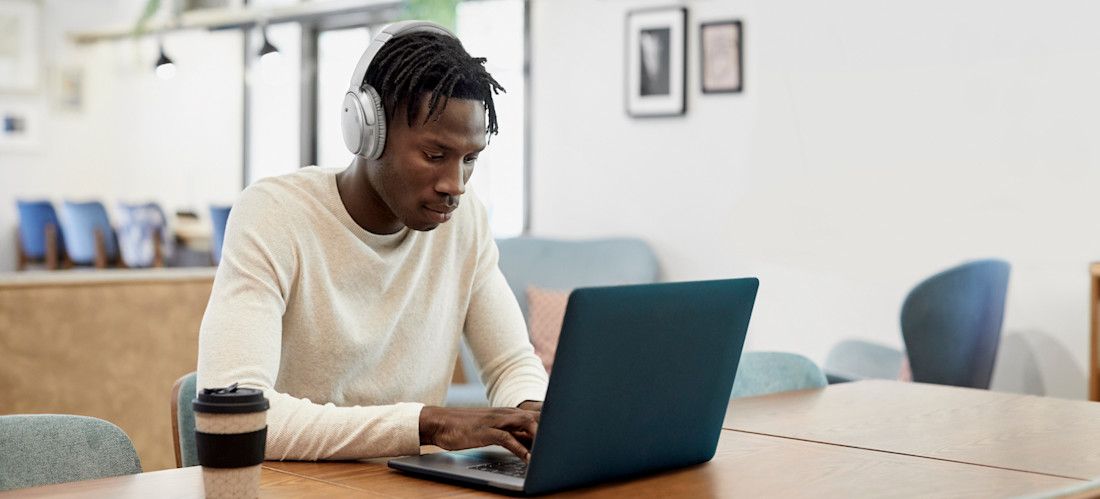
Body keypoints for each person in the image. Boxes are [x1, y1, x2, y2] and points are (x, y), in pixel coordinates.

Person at [196, 21, 548, 463]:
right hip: (298, 486)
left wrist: (531, 415)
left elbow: (511, 363)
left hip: (409, 486)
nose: (455, 184)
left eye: (470, 159)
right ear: (366, 132)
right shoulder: (274, 215)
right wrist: (429, 423)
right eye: (435, 156)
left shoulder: (464, 219)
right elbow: (237, 419)